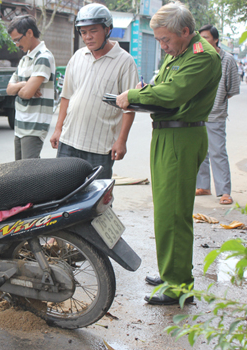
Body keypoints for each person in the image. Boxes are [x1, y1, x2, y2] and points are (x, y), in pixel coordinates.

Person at [115, 2, 222, 305]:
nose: (162, 46)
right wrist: (144, 91)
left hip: (182, 136)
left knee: (174, 213)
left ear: (185, 32)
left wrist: (135, 95)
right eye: (159, 40)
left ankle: (179, 286)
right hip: (167, 133)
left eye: (165, 40)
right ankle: (171, 270)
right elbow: (163, 87)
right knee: (165, 210)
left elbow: (174, 94)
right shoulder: (180, 53)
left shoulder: (203, 57)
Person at [49, 3, 138, 179]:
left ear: (107, 30)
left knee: (96, 199)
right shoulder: (77, 57)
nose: (87, 37)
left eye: (93, 30)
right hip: (68, 142)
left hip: (100, 147)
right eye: (83, 32)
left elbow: (129, 107)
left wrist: (122, 141)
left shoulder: (125, 62)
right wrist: (58, 129)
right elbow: (66, 96)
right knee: (63, 195)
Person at [195, 25, 240, 205]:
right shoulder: (198, 55)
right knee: (201, 152)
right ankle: (203, 185)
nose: (202, 41)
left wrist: (217, 101)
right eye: (200, 38)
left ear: (215, 39)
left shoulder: (227, 60)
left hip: (216, 114)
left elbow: (231, 89)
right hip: (197, 113)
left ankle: (224, 191)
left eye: (206, 37)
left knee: (218, 152)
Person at [6, 15, 55, 160]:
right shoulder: (24, 59)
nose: (16, 44)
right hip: (20, 124)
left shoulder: (43, 57)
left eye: (17, 39)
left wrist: (22, 88)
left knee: (29, 174)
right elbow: (9, 89)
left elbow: (27, 94)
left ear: (29, 33)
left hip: (34, 125)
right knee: (19, 173)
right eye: (14, 40)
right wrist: (23, 84)